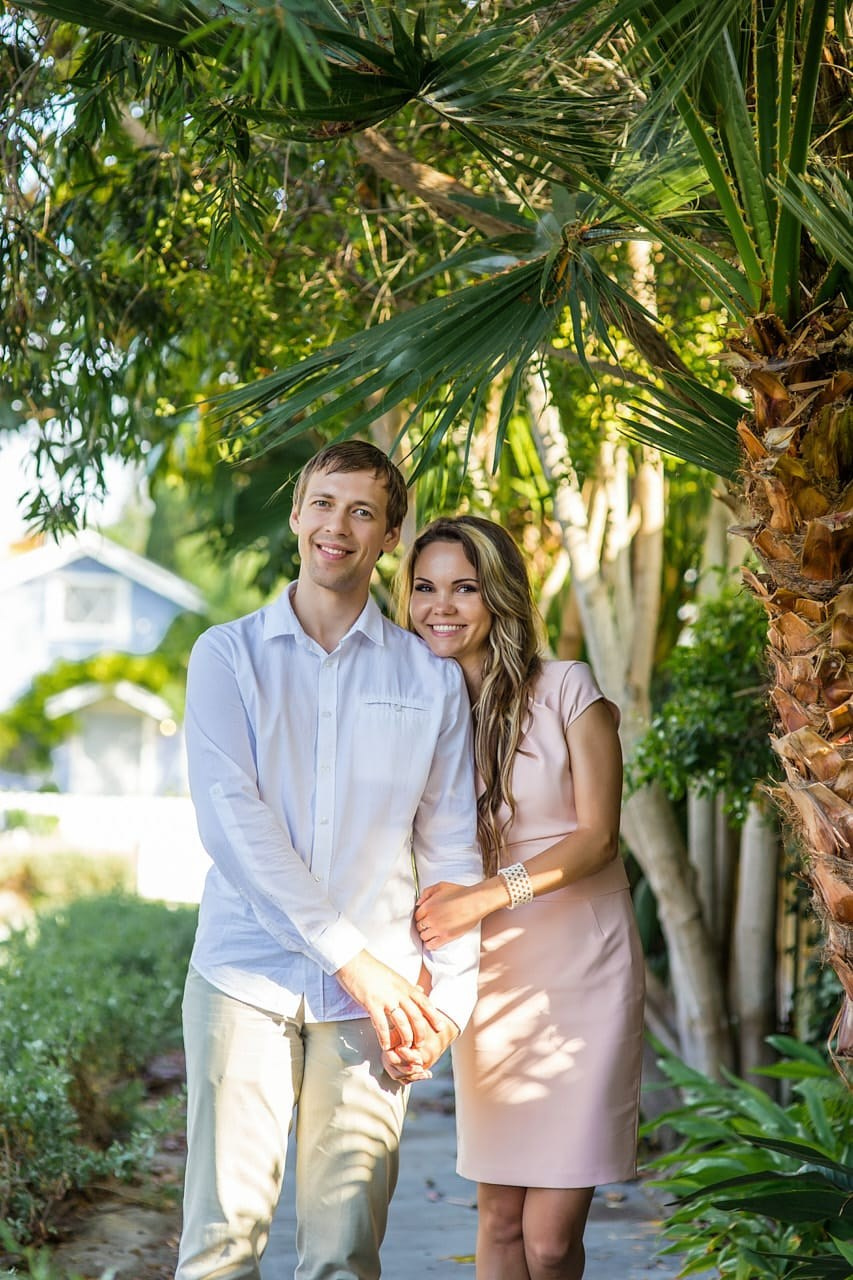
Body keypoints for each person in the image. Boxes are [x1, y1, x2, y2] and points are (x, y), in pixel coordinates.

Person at [175, 442, 483, 1280]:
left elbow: (451, 845)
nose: (336, 526)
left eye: (361, 512)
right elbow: (234, 826)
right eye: (322, 503)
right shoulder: (226, 657)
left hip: (379, 1011)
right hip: (246, 978)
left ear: (389, 536)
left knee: (344, 1254)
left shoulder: (429, 679)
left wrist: (446, 1002)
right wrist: (359, 964)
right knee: (221, 1244)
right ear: (295, 514)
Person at [392, 515, 645, 1280]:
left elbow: (598, 837)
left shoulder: (568, 688)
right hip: (488, 982)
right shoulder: (421, 715)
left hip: (582, 970)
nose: (442, 606)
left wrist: (479, 899)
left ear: (498, 596)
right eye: (425, 588)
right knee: (498, 1224)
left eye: (464, 588)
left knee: (549, 1238)